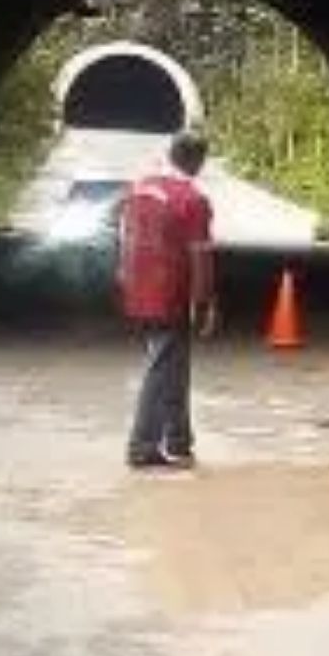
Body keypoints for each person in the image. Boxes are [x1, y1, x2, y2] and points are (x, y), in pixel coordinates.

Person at [118, 131, 218, 471]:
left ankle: (178, 440)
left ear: (171, 153)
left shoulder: (139, 187)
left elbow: (121, 234)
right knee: (162, 368)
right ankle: (142, 445)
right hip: (170, 293)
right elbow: (200, 259)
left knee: (172, 364)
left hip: (137, 288)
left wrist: (124, 274)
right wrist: (203, 303)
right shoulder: (193, 200)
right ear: (198, 162)